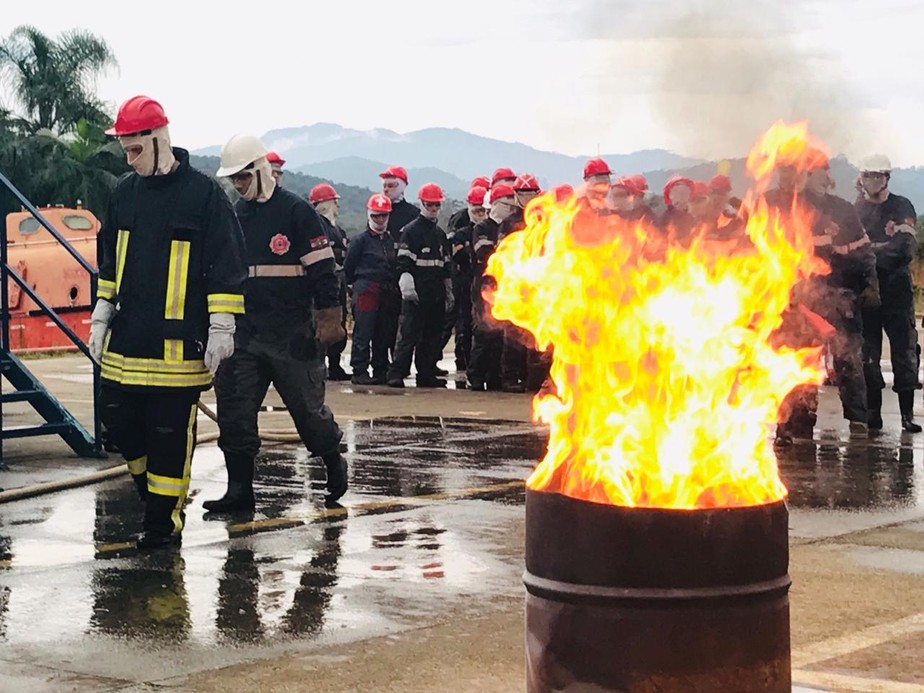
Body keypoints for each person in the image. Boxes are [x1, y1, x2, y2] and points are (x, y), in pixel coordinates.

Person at [89, 95, 247, 549]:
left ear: (160, 140)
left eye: (134, 149)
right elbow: (109, 262)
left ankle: (162, 526)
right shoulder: (123, 193)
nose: (128, 158)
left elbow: (225, 262)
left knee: (167, 437)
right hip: (128, 341)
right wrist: (102, 313)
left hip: (179, 349)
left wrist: (222, 323)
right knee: (118, 422)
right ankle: (152, 498)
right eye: (124, 149)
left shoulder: (203, 195)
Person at [202, 134, 348, 513]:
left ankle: (333, 460)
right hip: (245, 332)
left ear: (261, 171)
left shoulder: (298, 212)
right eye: (233, 179)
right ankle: (239, 491)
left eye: (243, 177)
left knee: (308, 413)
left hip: (291, 332)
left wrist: (330, 317)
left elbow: (324, 271)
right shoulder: (235, 215)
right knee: (235, 413)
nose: (238, 185)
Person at [768, 149, 879, 444]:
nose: (816, 175)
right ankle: (794, 426)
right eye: (808, 170)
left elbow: (864, 252)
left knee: (848, 358)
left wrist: (867, 285)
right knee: (798, 362)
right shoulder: (786, 207)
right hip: (800, 300)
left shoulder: (842, 209)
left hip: (839, 295)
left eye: (818, 169)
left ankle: (858, 423)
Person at [855, 154, 922, 432]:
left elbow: (904, 249)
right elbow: (850, 251)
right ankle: (874, 415)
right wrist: (878, 249)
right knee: (867, 354)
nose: (873, 181)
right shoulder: (856, 209)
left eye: (878, 176)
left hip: (897, 292)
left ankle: (907, 416)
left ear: (887, 179)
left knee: (905, 352)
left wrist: (870, 251)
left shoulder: (901, 205)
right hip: (867, 292)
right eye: (868, 176)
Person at [386, 183, 453, 388]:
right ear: (422, 204)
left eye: (436, 205)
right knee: (408, 334)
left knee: (431, 336)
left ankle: (426, 373)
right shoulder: (411, 231)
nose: (433, 209)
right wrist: (406, 283)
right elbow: (403, 261)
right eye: (430, 205)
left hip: (436, 294)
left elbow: (446, 266)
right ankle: (396, 373)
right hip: (416, 294)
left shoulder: (440, 235)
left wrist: (448, 291)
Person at [343, 194, 401, 385]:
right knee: (364, 330)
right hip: (366, 288)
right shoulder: (360, 240)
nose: (380, 219)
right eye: (376, 216)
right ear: (370, 215)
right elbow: (348, 267)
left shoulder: (391, 240)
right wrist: (355, 287)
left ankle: (380, 368)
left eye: (384, 216)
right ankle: (359, 370)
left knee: (384, 332)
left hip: (387, 290)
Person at [467, 184, 519, 390]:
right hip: (484, 286)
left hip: (504, 286)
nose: (510, 210)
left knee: (501, 335)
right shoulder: (482, 228)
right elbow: (483, 253)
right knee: (483, 332)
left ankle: (495, 376)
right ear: (495, 205)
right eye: (506, 205)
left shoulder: (510, 228)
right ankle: (476, 376)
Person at [309, 183, 351, 381]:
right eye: (334, 201)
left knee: (338, 322)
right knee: (322, 323)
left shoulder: (338, 231)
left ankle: (335, 364)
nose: (337, 206)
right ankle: (321, 363)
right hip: (324, 282)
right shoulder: (317, 227)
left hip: (339, 280)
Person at [443, 185, 486, 374]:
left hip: (485, 283)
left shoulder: (491, 229)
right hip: (464, 282)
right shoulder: (461, 230)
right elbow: (457, 255)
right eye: (476, 209)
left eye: (483, 210)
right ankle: (465, 363)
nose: (480, 213)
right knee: (465, 324)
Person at [379, 165, 419, 243]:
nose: (386, 190)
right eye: (384, 186)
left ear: (401, 187)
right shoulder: (378, 213)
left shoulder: (414, 214)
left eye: (390, 186)